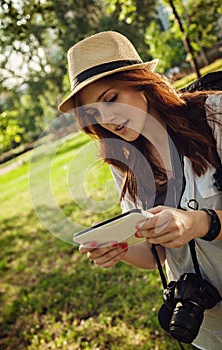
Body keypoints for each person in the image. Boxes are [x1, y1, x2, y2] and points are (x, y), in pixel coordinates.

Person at [58, 31, 222, 350]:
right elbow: (156, 255)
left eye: (110, 99)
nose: (106, 119)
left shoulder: (214, 114)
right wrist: (121, 249)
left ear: (141, 82)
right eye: (93, 113)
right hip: (209, 328)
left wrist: (197, 223)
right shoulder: (125, 163)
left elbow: (193, 225)